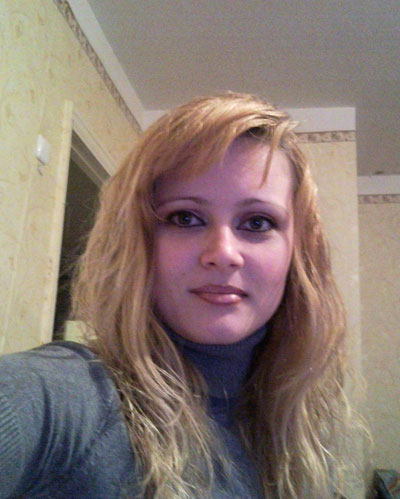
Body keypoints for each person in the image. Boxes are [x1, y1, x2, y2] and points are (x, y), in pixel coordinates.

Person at [0, 93, 351, 498]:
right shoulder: (61, 397)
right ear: (138, 239)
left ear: (298, 252)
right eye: (185, 217)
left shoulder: (298, 430)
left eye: (257, 222)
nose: (223, 253)